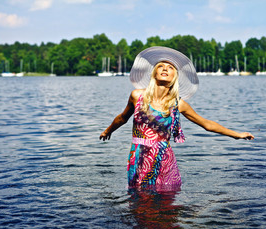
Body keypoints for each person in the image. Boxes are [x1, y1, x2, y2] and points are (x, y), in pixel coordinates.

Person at [100, 46, 254, 191]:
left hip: (164, 158)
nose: (165, 68)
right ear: (154, 73)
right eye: (161, 66)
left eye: (171, 67)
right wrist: (108, 131)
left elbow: (206, 124)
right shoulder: (137, 96)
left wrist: (236, 135)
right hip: (140, 156)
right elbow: (122, 118)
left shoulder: (178, 104)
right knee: (140, 201)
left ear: (175, 76)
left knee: (167, 203)